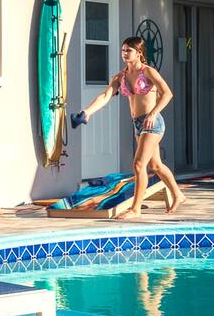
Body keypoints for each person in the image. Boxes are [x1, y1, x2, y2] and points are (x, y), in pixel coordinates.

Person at [75, 36, 187, 218]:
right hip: (138, 124)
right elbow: (105, 96)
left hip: (152, 123)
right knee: (156, 165)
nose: (124, 53)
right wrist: (87, 111)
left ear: (139, 53)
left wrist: (153, 113)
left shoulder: (148, 72)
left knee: (139, 165)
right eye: (123, 50)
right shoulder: (120, 76)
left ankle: (135, 209)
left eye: (128, 50)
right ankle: (178, 194)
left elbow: (167, 93)